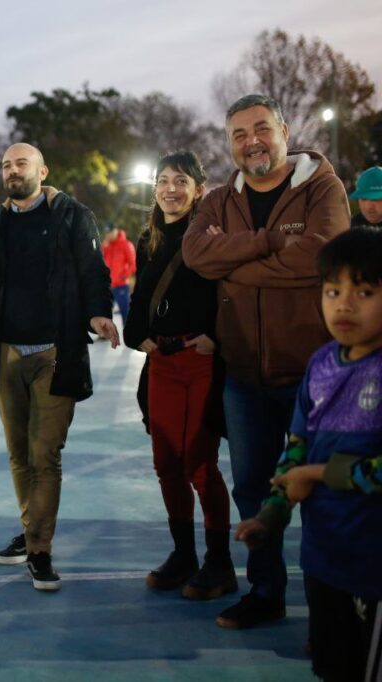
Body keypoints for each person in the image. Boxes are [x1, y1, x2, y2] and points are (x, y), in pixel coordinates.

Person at [182, 94, 350, 629]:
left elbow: (323, 253)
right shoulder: (216, 199)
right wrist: (273, 243)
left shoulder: (321, 185)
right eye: (238, 134)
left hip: (315, 373)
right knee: (253, 488)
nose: (250, 141)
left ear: (283, 129)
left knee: (324, 490)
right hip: (244, 374)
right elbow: (196, 255)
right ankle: (266, 592)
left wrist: (237, 262)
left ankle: (334, 612)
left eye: (260, 129)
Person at [0, 142, 118, 590]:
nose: (12, 171)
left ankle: (40, 550)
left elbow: (93, 272)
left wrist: (99, 313)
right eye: (6, 165)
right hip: (5, 354)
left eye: (21, 163)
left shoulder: (73, 216)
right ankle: (30, 531)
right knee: (19, 455)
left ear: (43, 170)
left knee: (46, 455)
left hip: (54, 353)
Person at [236, 228, 382, 682]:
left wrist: (318, 475)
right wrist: (272, 515)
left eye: (364, 292)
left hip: (373, 568)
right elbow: (294, 451)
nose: (344, 304)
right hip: (323, 562)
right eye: (333, 290)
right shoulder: (320, 365)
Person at [123, 151, 235, 600]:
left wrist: (217, 338)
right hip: (162, 364)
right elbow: (139, 297)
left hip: (200, 361)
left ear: (198, 190)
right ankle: (184, 554)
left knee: (199, 463)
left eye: (181, 181)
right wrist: (138, 337)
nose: (171, 189)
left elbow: (234, 294)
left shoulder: (211, 235)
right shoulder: (147, 237)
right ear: (154, 189)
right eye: (163, 180)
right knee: (166, 463)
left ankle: (219, 562)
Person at [102, 224, 136, 328]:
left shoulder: (126, 244)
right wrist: (104, 247)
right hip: (108, 285)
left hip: (121, 285)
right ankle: (104, 334)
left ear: (116, 231)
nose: (109, 235)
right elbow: (101, 262)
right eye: (107, 233)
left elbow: (133, 264)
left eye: (110, 232)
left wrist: (123, 276)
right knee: (104, 311)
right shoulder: (106, 245)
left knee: (125, 311)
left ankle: (129, 332)